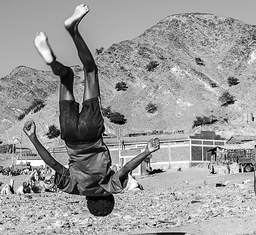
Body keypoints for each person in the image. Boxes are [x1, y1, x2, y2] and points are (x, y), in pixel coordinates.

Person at [23, 4, 160, 216]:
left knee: (90, 70)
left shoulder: (109, 186)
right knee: (66, 76)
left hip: (91, 130)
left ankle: (73, 29)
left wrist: (147, 151)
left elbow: (126, 169)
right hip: (69, 134)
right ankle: (50, 59)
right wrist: (33, 138)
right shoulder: (74, 188)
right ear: (87, 201)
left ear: (108, 197)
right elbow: (52, 162)